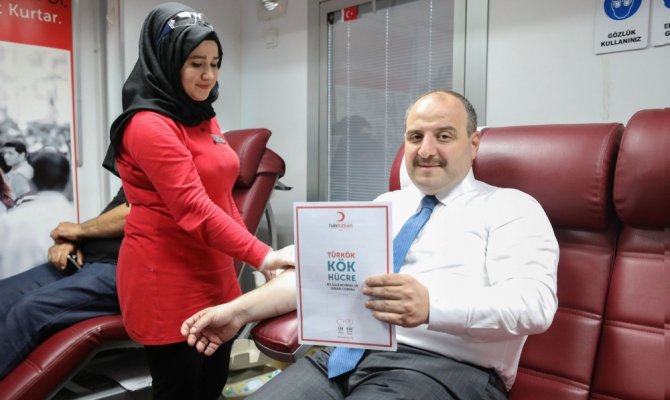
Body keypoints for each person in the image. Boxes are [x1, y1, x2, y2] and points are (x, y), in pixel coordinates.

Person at [182, 90, 559, 399]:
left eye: (444, 136)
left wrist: (431, 306)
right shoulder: (385, 205)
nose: (426, 150)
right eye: (415, 137)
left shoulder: (510, 207)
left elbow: (534, 305)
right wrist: (237, 312)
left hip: (443, 369)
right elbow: (322, 277)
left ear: (473, 144)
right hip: (342, 358)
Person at [102, 3, 295, 399]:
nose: (208, 75)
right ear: (167, 61)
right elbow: (193, 206)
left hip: (215, 273)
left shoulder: (201, 114)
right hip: (168, 279)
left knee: (211, 386)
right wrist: (263, 255)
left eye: (215, 63)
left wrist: (250, 260)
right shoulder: (147, 125)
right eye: (195, 64)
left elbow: (221, 197)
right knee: (180, 389)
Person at [0, 188, 128, 380]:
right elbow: (119, 205)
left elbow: (139, 211)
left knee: (29, 310)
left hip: (122, 267)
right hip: (87, 257)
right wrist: (78, 239)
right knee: (3, 295)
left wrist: (79, 231)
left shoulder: (170, 169)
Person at [0, 151, 75, 278]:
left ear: (31, 182)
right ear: (69, 181)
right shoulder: (77, 219)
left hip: (11, 288)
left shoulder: (8, 221)